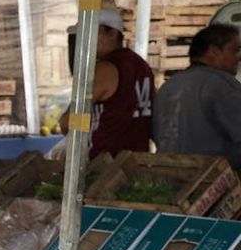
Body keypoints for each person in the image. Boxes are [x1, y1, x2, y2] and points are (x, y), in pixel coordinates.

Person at [59, 10, 154, 159]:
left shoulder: (104, 69)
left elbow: (68, 122)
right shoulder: (142, 66)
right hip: (137, 161)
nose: (84, 40)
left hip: (104, 162)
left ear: (113, 34)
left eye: (90, 33)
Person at [154, 24, 241, 166]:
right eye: (235, 51)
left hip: (167, 176)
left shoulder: (168, 87)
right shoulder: (223, 85)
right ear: (214, 51)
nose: (239, 58)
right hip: (212, 180)